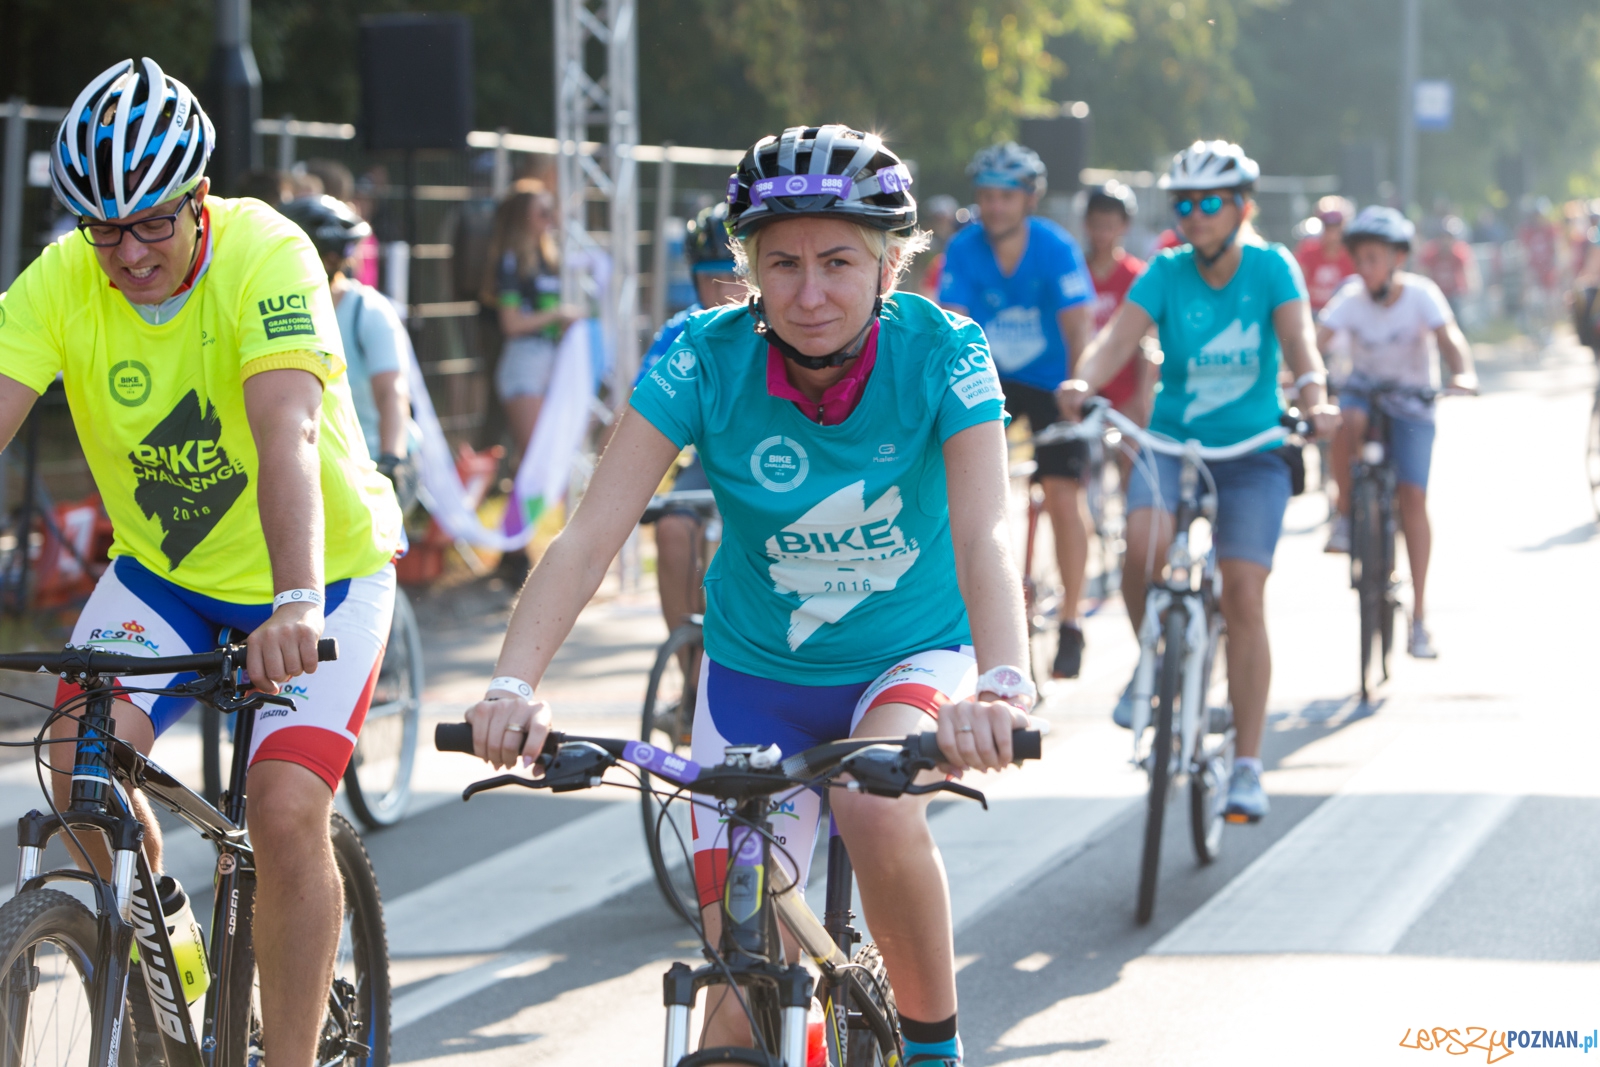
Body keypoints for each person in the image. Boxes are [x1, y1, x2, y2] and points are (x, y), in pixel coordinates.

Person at [461, 124, 1033, 1067]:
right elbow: (593, 532)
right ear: (750, 269)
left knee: (875, 805)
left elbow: (985, 533)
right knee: (737, 1000)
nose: (810, 293)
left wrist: (1004, 682)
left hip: (910, 657)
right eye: (784, 264)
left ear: (890, 263)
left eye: (840, 261)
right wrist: (512, 687)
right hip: (754, 675)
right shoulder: (702, 355)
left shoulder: (945, 348)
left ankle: (936, 1050)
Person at [0, 59, 402, 1067]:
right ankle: (163, 937)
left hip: (321, 572)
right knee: (72, 758)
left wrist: (297, 598)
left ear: (198, 199)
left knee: (282, 808)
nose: (128, 252)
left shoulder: (266, 250)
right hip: (167, 576)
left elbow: (288, 436)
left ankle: (293, 1054)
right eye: (104, 229)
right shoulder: (62, 280)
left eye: (152, 225)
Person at [1058, 140, 1340, 823]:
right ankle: (1153, 659)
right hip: (1171, 446)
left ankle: (1245, 765)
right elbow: (1116, 340)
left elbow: (1300, 345)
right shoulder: (1166, 270)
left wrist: (1314, 397)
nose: (1194, 215)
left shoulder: (1273, 267)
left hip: (1253, 452)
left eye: (1209, 202)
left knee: (1242, 594)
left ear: (1242, 206)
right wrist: (1083, 379)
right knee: (1141, 553)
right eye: (1183, 203)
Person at [939, 141, 1095, 678]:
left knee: (1062, 491)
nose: (995, 207)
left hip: (1052, 383)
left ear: (1029, 199)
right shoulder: (963, 247)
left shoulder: (1055, 246)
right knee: (966, 494)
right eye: (986, 196)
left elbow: (1080, 328)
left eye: (1006, 196)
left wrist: (1079, 387)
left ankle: (1071, 621)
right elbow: (950, 325)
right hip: (987, 379)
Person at [1317, 207, 1476, 658]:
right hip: (1363, 395)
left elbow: (1450, 340)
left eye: (1373, 258)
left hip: (1411, 403)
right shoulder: (1350, 297)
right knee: (1344, 419)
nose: (1364, 268)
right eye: (1359, 259)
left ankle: (1420, 618)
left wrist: (1461, 374)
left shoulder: (1422, 296)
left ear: (1396, 259)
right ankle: (1346, 514)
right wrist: (1297, 372)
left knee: (1412, 499)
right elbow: (1317, 340)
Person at [636, 203, 744, 645]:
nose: (724, 292)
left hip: (781, 459)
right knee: (673, 529)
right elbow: (637, 414)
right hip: (709, 461)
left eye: (735, 276)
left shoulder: (786, 323)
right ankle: (689, 680)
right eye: (710, 279)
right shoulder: (680, 333)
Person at [278, 194, 417, 508]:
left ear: (326, 258)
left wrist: (391, 461)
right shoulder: (281, 311)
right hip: (309, 464)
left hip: (368, 462)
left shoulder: (368, 312)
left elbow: (392, 394)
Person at [480, 179, 581, 463]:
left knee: (555, 461)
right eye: (543, 213)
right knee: (538, 463)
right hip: (524, 363)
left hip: (554, 358)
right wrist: (558, 314)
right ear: (523, 218)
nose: (551, 220)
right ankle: (520, 509)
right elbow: (511, 324)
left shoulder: (551, 258)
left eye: (552, 212)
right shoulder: (510, 261)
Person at [1083, 181, 1155, 429]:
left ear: (1124, 226)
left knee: (1132, 456)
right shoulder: (1073, 273)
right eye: (1096, 225)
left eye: (1110, 226)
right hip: (1086, 385)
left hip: (1126, 388)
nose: (1102, 233)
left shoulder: (1137, 276)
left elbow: (1147, 344)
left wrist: (1141, 397)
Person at [1294, 195, 1356, 315]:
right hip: (1311, 313)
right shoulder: (1308, 250)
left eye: (1336, 226)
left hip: (1342, 314)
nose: (1332, 233)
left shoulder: (1351, 255)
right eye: (1327, 226)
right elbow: (1298, 282)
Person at [1419, 215, 1478, 323]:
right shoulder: (1431, 253)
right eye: (1443, 237)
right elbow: (1423, 274)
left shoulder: (1459, 252)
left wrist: (1470, 288)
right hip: (1437, 293)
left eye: (1449, 238)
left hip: (1454, 294)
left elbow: (1468, 272)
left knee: (1458, 318)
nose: (1446, 241)